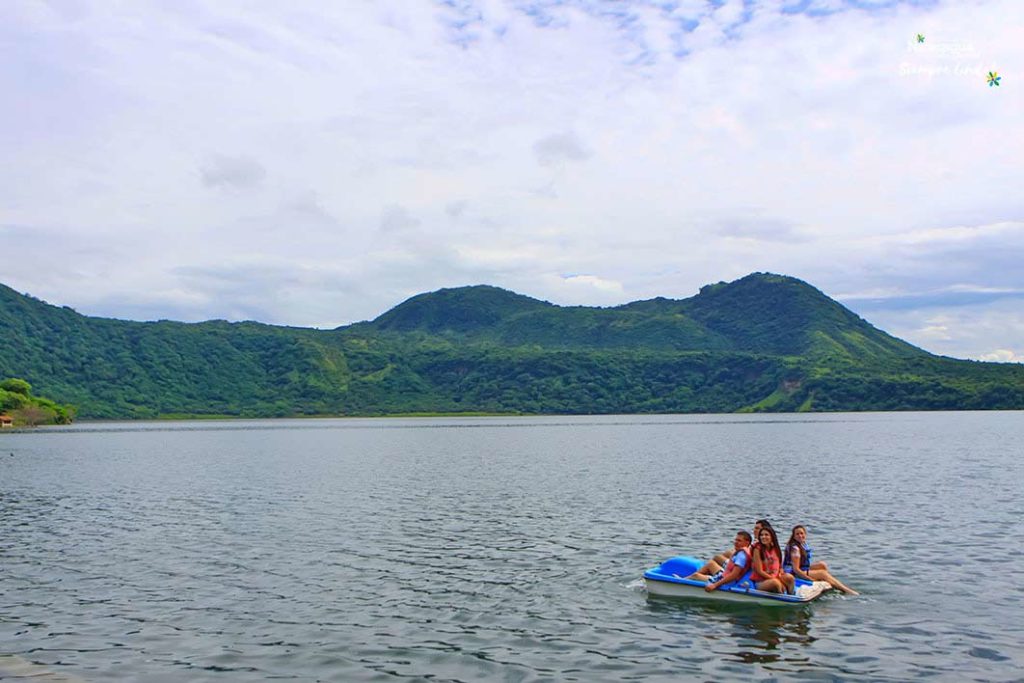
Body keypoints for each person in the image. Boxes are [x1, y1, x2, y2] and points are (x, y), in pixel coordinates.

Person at [784, 525, 859, 595]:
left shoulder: (802, 544)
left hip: (801, 569)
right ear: (793, 536)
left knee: (822, 565)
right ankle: (846, 590)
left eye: (802, 533)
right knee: (822, 573)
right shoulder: (795, 549)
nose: (800, 536)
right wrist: (810, 579)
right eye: (797, 534)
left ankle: (831, 583)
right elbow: (796, 569)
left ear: (805, 534)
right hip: (793, 573)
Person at [694, 519, 771, 577]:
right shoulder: (761, 544)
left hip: (739, 573)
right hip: (742, 569)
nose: (754, 530)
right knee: (728, 553)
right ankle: (714, 571)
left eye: (757, 528)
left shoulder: (759, 546)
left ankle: (707, 573)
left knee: (714, 560)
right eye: (755, 528)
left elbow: (737, 572)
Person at [686, 531, 753, 591]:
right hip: (723, 576)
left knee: (696, 575)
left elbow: (734, 575)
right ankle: (692, 579)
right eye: (735, 540)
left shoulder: (741, 556)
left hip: (727, 583)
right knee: (710, 564)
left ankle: (680, 581)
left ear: (747, 543)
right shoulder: (743, 552)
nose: (736, 542)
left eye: (739, 541)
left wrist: (715, 585)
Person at [750, 524, 796, 594]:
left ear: (772, 537)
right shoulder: (757, 549)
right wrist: (775, 579)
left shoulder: (775, 548)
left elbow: (779, 565)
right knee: (776, 583)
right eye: (761, 535)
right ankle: (782, 599)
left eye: (766, 535)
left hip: (775, 575)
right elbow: (759, 571)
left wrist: (780, 571)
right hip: (761, 581)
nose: (763, 537)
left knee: (790, 578)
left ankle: (792, 595)